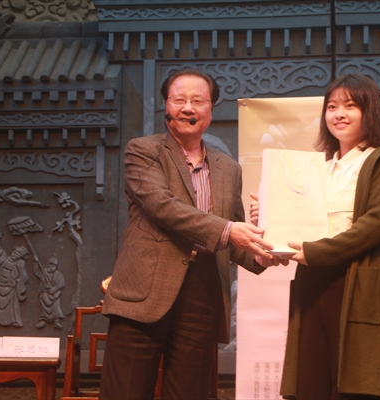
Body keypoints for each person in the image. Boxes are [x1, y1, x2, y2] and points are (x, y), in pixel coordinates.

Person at [99, 68, 276, 400]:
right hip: (144, 290)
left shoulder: (228, 168)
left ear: (211, 110)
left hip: (203, 293)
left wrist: (261, 251)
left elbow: (233, 235)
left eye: (198, 100)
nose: (188, 108)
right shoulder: (143, 151)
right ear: (166, 106)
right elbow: (163, 206)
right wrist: (229, 230)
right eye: (179, 100)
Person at [252, 73, 380, 399]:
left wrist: (316, 252)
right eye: (332, 106)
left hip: (356, 283)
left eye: (350, 106)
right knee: (312, 384)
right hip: (313, 282)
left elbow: (377, 223)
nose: (339, 114)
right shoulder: (319, 168)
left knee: (354, 387)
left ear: (369, 111)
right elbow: (298, 221)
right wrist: (268, 219)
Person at [0, 243, 29, 327]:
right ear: (13, 251)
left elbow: (23, 276)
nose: (15, 255)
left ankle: (15, 321)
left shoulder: (19, 263)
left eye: (18, 255)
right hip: (0, 284)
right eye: (15, 253)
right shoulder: (5, 259)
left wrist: (17, 281)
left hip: (10, 287)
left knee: (12, 305)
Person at [34, 256, 66, 330]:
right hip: (45, 291)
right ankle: (43, 320)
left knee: (56, 303)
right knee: (43, 298)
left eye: (53, 266)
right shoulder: (44, 272)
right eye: (50, 266)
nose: (51, 268)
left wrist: (54, 289)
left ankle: (56, 321)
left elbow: (62, 283)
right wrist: (35, 262)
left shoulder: (58, 274)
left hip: (54, 293)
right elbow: (36, 272)